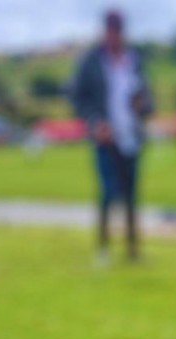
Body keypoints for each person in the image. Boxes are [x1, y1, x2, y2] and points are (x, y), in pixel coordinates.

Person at [70, 10, 154, 262]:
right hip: (105, 137)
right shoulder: (91, 61)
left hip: (131, 135)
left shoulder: (133, 59)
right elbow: (78, 98)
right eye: (110, 30)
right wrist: (96, 122)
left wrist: (142, 106)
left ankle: (132, 250)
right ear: (105, 31)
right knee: (108, 192)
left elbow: (147, 98)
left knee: (131, 194)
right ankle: (103, 248)